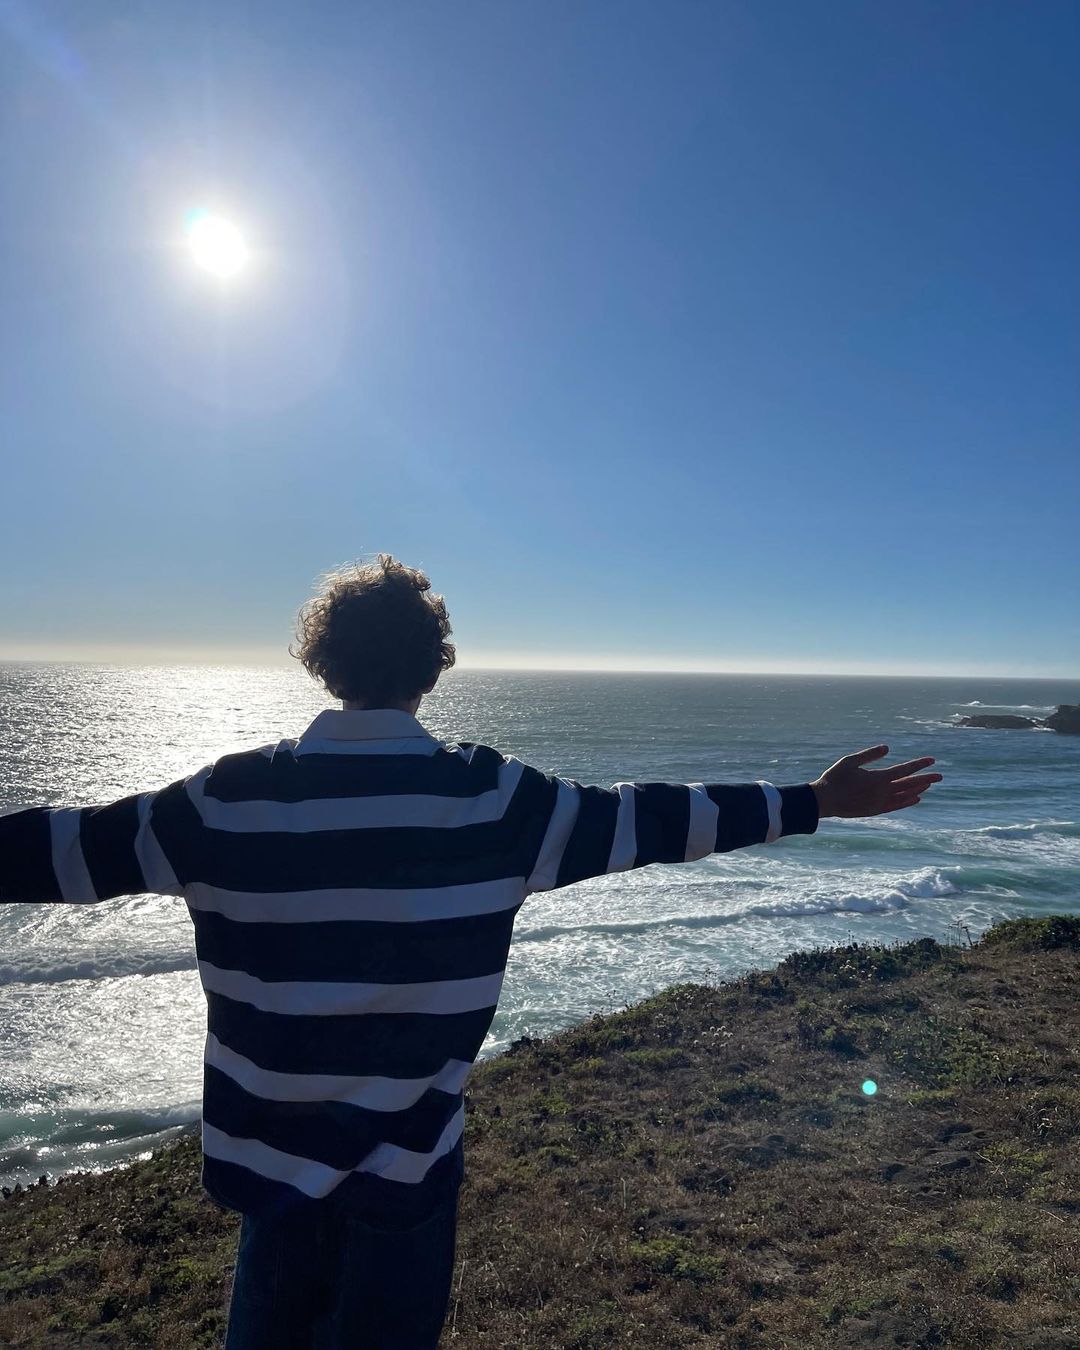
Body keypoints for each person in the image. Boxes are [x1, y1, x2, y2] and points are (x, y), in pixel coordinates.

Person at [0, 555, 942, 1348]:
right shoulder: (497, 804)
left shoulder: (224, 803)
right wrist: (813, 801)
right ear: (432, 668)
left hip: (271, 1175)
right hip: (409, 1175)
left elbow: (59, 849)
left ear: (323, 663)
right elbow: (655, 817)